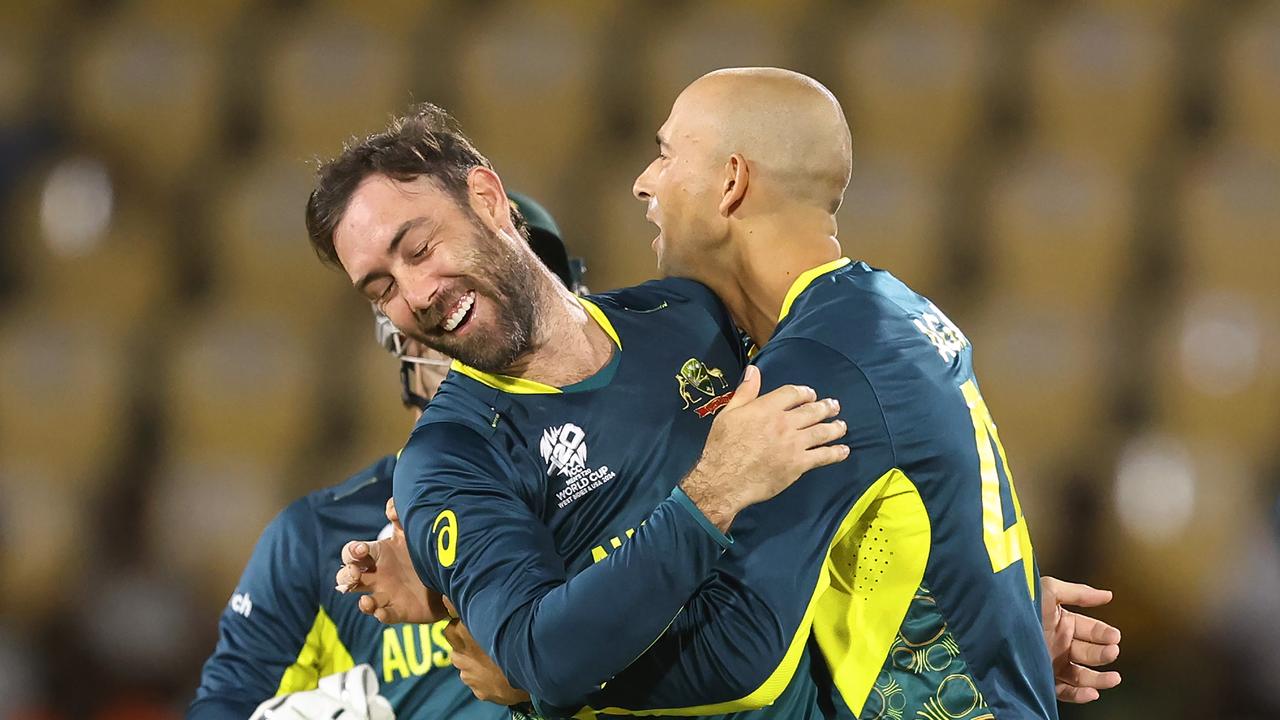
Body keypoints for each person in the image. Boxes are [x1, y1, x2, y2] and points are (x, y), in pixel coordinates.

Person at [315, 103, 1119, 719]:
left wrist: (983, 606)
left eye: (419, 250)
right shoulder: (451, 458)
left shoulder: (690, 317)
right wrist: (710, 493)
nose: (415, 296)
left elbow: (844, 483)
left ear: (488, 198)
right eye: (380, 289)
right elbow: (539, 655)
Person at [187, 194, 580, 719]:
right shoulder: (319, 540)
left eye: (517, 296)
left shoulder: (637, 485)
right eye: (459, 300)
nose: (489, 335)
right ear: (402, 336)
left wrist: (538, 680)